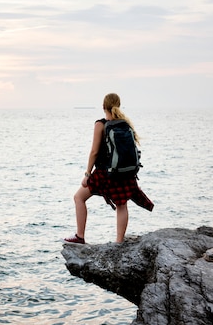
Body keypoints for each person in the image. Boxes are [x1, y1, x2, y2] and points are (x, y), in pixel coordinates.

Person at [64, 93, 154, 245]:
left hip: (105, 173)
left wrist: (87, 174)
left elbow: (94, 151)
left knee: (79, 197)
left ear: (103, 106)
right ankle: (119, 242)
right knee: (122, 204)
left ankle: (80, 236)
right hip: (125, 174)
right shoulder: (125, 124)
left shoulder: (101, 124)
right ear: (118, 105)